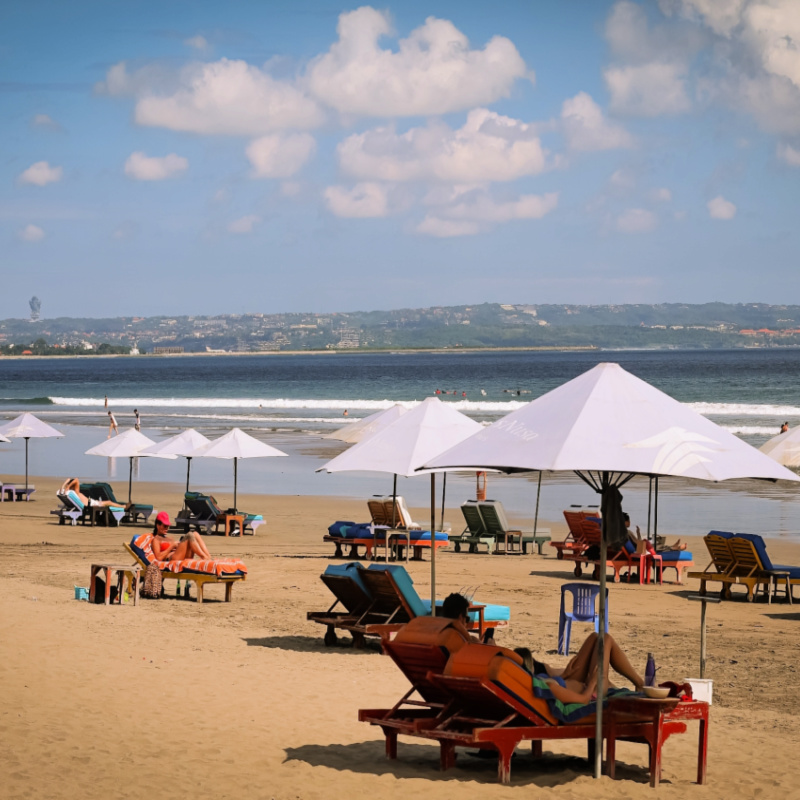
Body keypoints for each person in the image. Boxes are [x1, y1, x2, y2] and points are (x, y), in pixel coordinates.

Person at [513, 633, 644, 705]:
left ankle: (639, 683)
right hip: (593, 692)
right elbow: (583, 700)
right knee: (605, 639)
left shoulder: (537, 682)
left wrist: (565, 674)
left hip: (573, 682)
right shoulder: (548, 689)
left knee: (594, 637)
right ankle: (640, 683)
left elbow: (555, 685)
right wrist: (592, 681)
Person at [149, 511, 214, 562]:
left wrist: (178, 545)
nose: (167, 528)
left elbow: (177, 548)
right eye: (165, 526)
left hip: (181, 555)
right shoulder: (156, 539)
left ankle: (208, 557)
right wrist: (172, 546)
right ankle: (204, 557)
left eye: (168, 526)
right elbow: (158, 558)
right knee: (189, 535)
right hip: (172, 559)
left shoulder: (169, 538)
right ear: (158, 525)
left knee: (195, 534)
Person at [59, 478, 130, 509]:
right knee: (109, 502)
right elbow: (76, 479)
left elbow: (70, 479)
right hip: (91, 505)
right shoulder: (76, 492)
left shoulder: (73, 493)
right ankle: (123, 507)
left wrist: (64, 486)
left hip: (92, 503)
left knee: (108, 503)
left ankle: (123, 506)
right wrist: (68, 486)